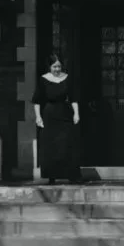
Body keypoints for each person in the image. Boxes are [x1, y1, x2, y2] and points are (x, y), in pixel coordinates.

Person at [32, 52, 82, 184]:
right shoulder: (43, 80)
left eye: (59, 66)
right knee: (51, 146)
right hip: (49, 115)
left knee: (67, 144)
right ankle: (51, 175)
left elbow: (73, 98)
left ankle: (71, 174)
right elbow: (37, 101)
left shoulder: (67, 78)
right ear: (49, 67)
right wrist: (38, 117)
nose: (57, 69)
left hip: (64, 113)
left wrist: (76, 113)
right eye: (54, 66)